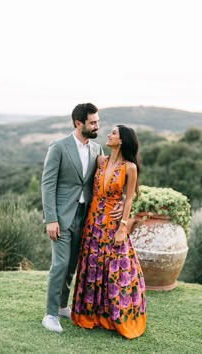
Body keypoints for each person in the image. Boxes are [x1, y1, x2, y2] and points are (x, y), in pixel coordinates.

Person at [41, 103, 122, 333]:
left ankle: (62, 305)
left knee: (72, 266)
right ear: (79, 123)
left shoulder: (97, 150)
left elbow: (110, 177)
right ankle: (50, 314)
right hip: (61, 217)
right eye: (93, 122)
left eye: (97, 121)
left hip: (86, 218)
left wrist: (122, 200)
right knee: (60, 264)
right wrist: (50, 218)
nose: (97, 126)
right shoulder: (58, 147)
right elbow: (48, 184)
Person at [71, 125, 147, 339]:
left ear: (121, 140)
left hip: (112, 223)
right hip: (92, 221)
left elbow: (130, 197)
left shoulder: (130, 167)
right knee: (91, 264)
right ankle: (90, 315)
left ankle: (113, 316)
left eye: (113, 133)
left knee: (113, 266)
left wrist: (123, 225)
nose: (109, 135)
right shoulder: (100, 161)